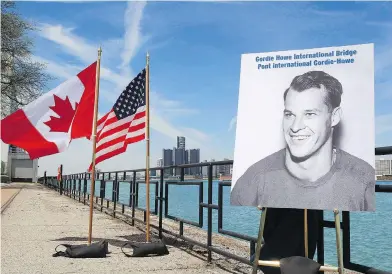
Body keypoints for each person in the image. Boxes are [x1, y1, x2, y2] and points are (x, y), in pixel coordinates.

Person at [231, 70, 375, 211]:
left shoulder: (363, 178)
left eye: (310, 114)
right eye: (289, 115)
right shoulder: (254, 179)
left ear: (334, 117)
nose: (295, 127)